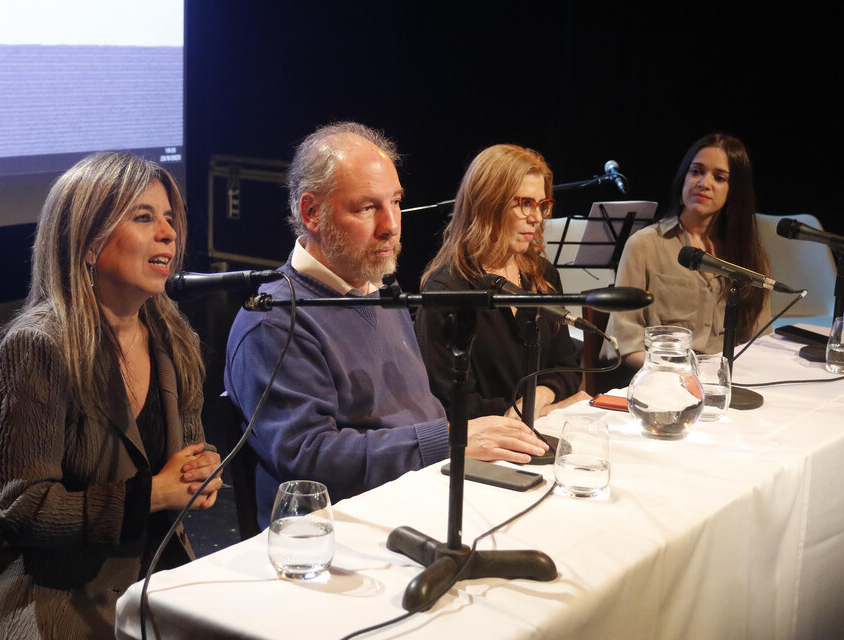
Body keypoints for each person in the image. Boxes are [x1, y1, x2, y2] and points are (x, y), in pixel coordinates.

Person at [0, 152, 222, 639]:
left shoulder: (172, 336)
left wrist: (198, 473)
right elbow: (24, 508)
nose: (168, 233)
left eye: (168, 219)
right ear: (89, 243)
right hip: (45, 601)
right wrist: (154, 494)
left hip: (146, 579)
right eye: (144, 217)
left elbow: (185, 458)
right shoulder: (37, 345)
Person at [224, 123, 548, 528]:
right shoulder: (274, 320)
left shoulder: (381, 290)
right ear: (312, 213)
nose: (391, 225)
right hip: (343, 532)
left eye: (395, 202)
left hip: (422, 495)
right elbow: (309, 455)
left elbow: (415, 413)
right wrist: (450, 439)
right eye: (366, 208)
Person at [416, 144, 589, 421]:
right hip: (484, 450)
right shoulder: (448, 288)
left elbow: (566, 366)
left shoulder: (542, 276)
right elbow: (450, 402)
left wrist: (542, 395)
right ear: (488, 205)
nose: (536, 217)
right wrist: (529, 411)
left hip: (543, 430)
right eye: (525, 204)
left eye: (542, 205)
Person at [604, 133, 770, 368]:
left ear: (735, 191)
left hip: (728, 381)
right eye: (696, 171)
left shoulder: (747, 253)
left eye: (719, 177)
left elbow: (760, 340)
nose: (704, 183)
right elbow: (625, 342)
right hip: (663, 377)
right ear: (683, 177)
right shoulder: (644, 244)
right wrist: (680, 373)